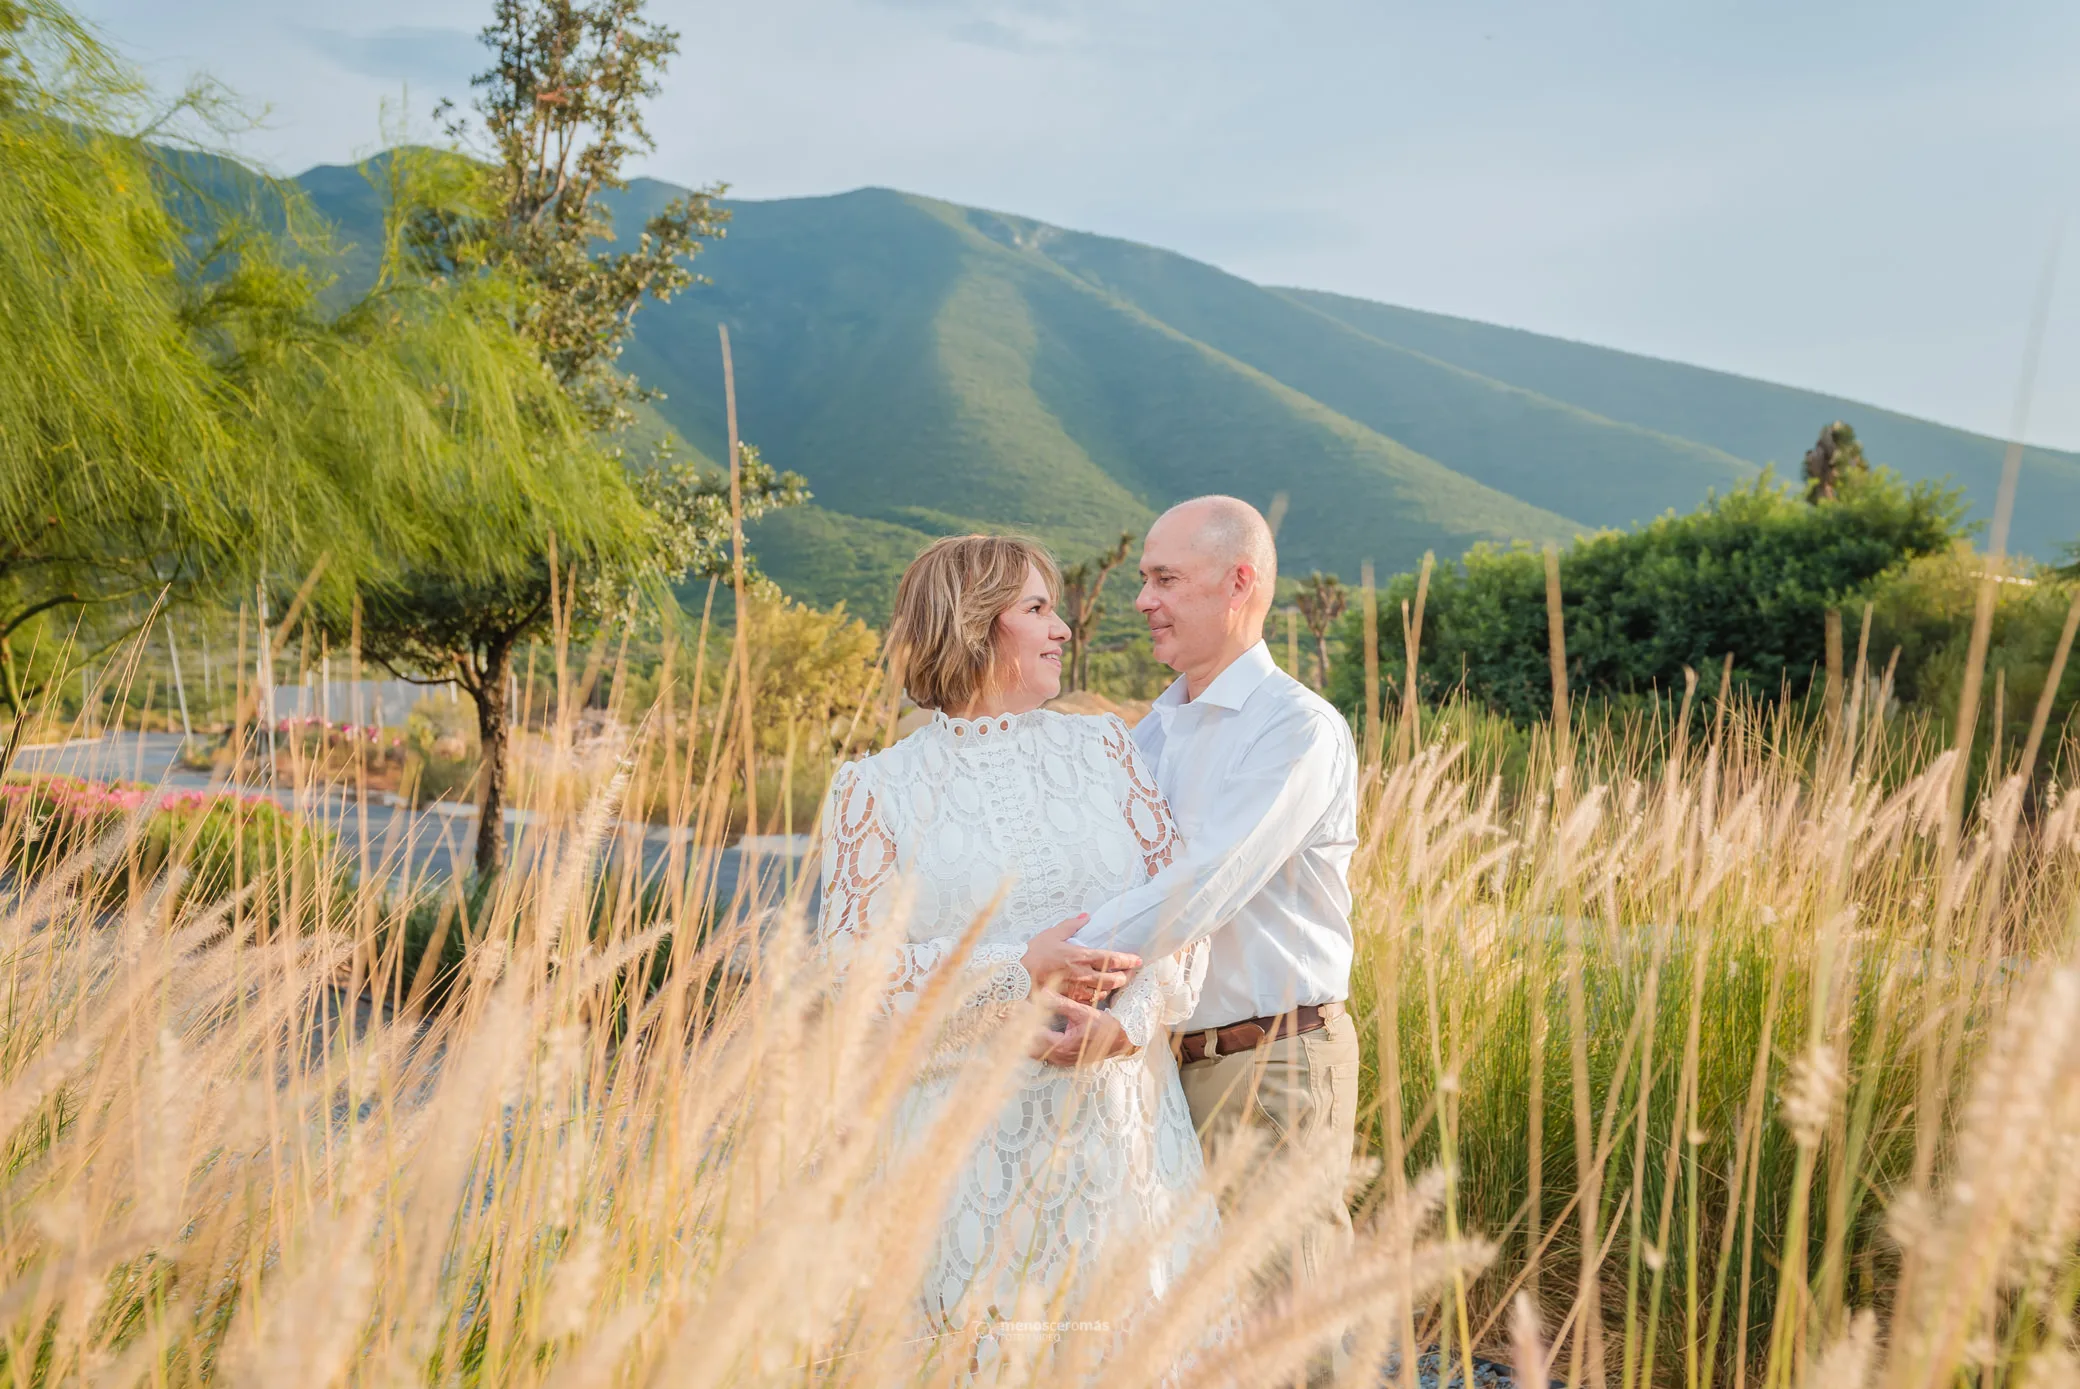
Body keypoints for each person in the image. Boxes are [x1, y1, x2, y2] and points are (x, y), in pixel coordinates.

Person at [814, 534, 1216, 1359]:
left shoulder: (1106, 748)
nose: (1063, 627)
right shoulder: (873, 789)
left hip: (1120, 1128)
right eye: (1037, 608)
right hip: (960, 1151)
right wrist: (1015, 967)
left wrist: (1130, 1021)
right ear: (970, 626)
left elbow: (1181, 910)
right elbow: (850, 975)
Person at [1061, 495, 1361, 1379]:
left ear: (1239, 582)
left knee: (1287, 1329)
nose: (1143, 598)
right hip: (1151, 1063)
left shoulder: (1294, 728)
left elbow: (1202, 887)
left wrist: (1044, 969)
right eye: (1144, 577)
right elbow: (1113, 878)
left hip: (1267, 1068)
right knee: (1191, 1327)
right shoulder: (1149, 733)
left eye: (1165, 579)